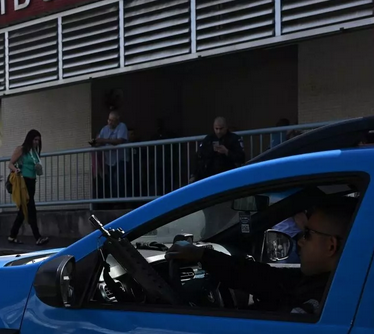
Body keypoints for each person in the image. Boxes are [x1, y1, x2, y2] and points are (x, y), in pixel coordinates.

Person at [167, 196, 356, 316]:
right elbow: (265, 278)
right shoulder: (327, 284)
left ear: (331, 245)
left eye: (307, 234)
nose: (300, 241)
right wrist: (201, 254)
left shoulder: (316, 305)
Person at [8, 129, 50, 246]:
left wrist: (38, 168)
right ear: (30, 139)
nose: (37, 142)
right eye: (35, 139)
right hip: (23, 181)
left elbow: (37, 169)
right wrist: (16, 170)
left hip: (32, 181)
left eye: (38, 140)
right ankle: (37, 237)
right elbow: (10, 163)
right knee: (30, 208)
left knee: (24, 210)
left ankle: (12, 235)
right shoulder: (21, 149)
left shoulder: (34, 152)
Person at [191, 117, 245, 182]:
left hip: (228, 174)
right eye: (216, 129)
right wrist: (194, 175)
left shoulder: (234, 139)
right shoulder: (208, 139)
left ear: (226, 127)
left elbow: (241, 158)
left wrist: (227, 152)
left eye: (221, 129)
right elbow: (199, 156)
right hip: (210, 175)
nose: (218, 131)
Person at [93, 107, 130, 199]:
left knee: (118, 180)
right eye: (109, 120)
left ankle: (121, 202)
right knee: (110, 182)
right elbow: (99, 140)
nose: (109, 122)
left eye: (112, 121)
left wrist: (103, 140)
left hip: (121, 159)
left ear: (117, 120)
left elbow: (119, 141)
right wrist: (95, 143)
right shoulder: (104, 129)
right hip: (109, 161)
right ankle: (114, 202)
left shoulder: (122, 126)